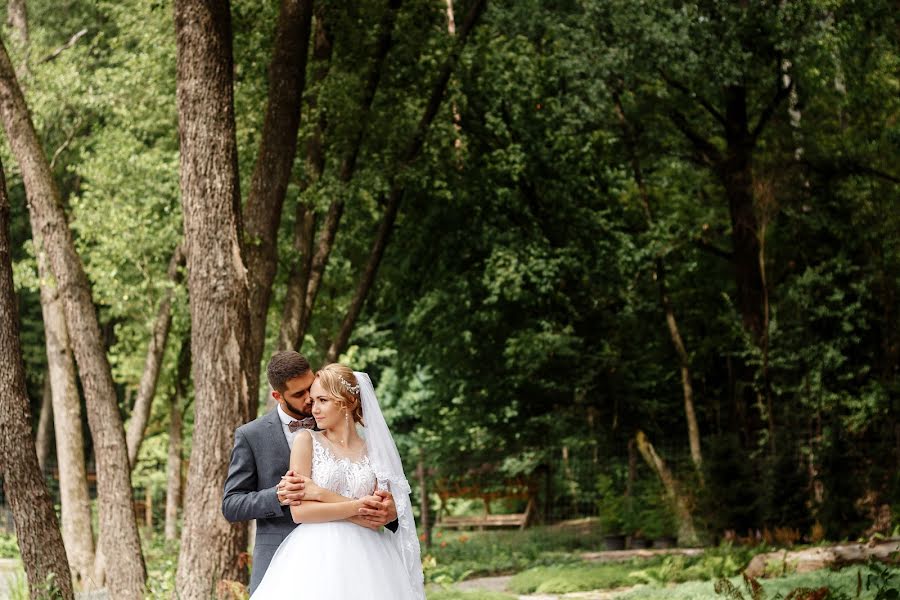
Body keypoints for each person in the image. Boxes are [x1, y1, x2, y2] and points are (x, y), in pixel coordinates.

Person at [223, 352, 399, 593]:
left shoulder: (335, 418)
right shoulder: (251, 435)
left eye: (313, 391)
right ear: (278, 396)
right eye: (299, 394)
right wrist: (278, 495)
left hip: (361, 558)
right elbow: (231, 504)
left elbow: (384, 499)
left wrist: (392, 513)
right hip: (283, 558)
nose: (310, 401)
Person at [250, 364, 425, 599]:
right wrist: (357, 506)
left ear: (349, 401)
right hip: (315, 556)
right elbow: (300, 513)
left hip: (370, 558)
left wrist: (320, 494)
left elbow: (376, 519)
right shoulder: (306, 440)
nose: (315, 410)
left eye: (323, 400)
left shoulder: (374, 451)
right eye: (313, 401)